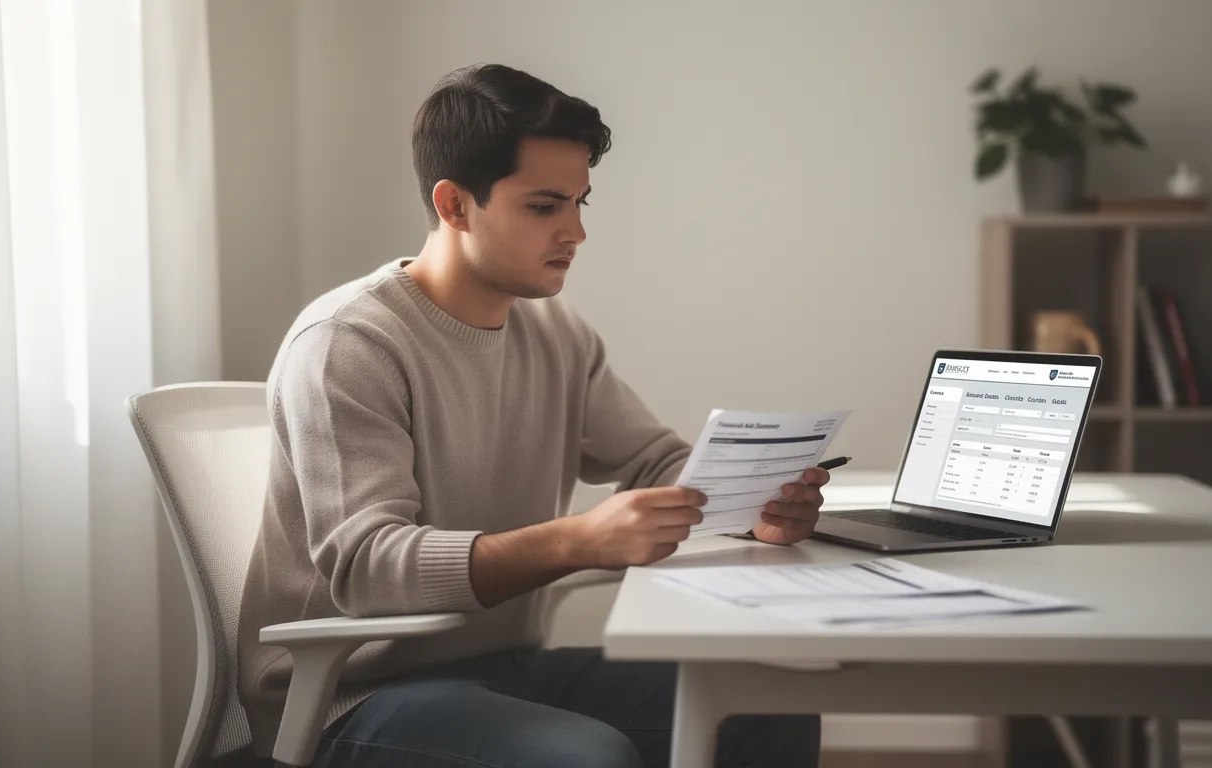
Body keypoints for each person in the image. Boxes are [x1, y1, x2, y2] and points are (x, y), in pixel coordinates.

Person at [238, 63, 830, 768]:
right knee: (586, 757)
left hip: (504, 666)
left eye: (581, 202)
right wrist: (576, 540)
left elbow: (652, 462)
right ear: (455, 205)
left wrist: (750, 504)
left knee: (765, 706)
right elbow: (370, 567)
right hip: (350, 691)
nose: (575, 232)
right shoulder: (348, 343)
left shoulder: (554, 331)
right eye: (545, 206)